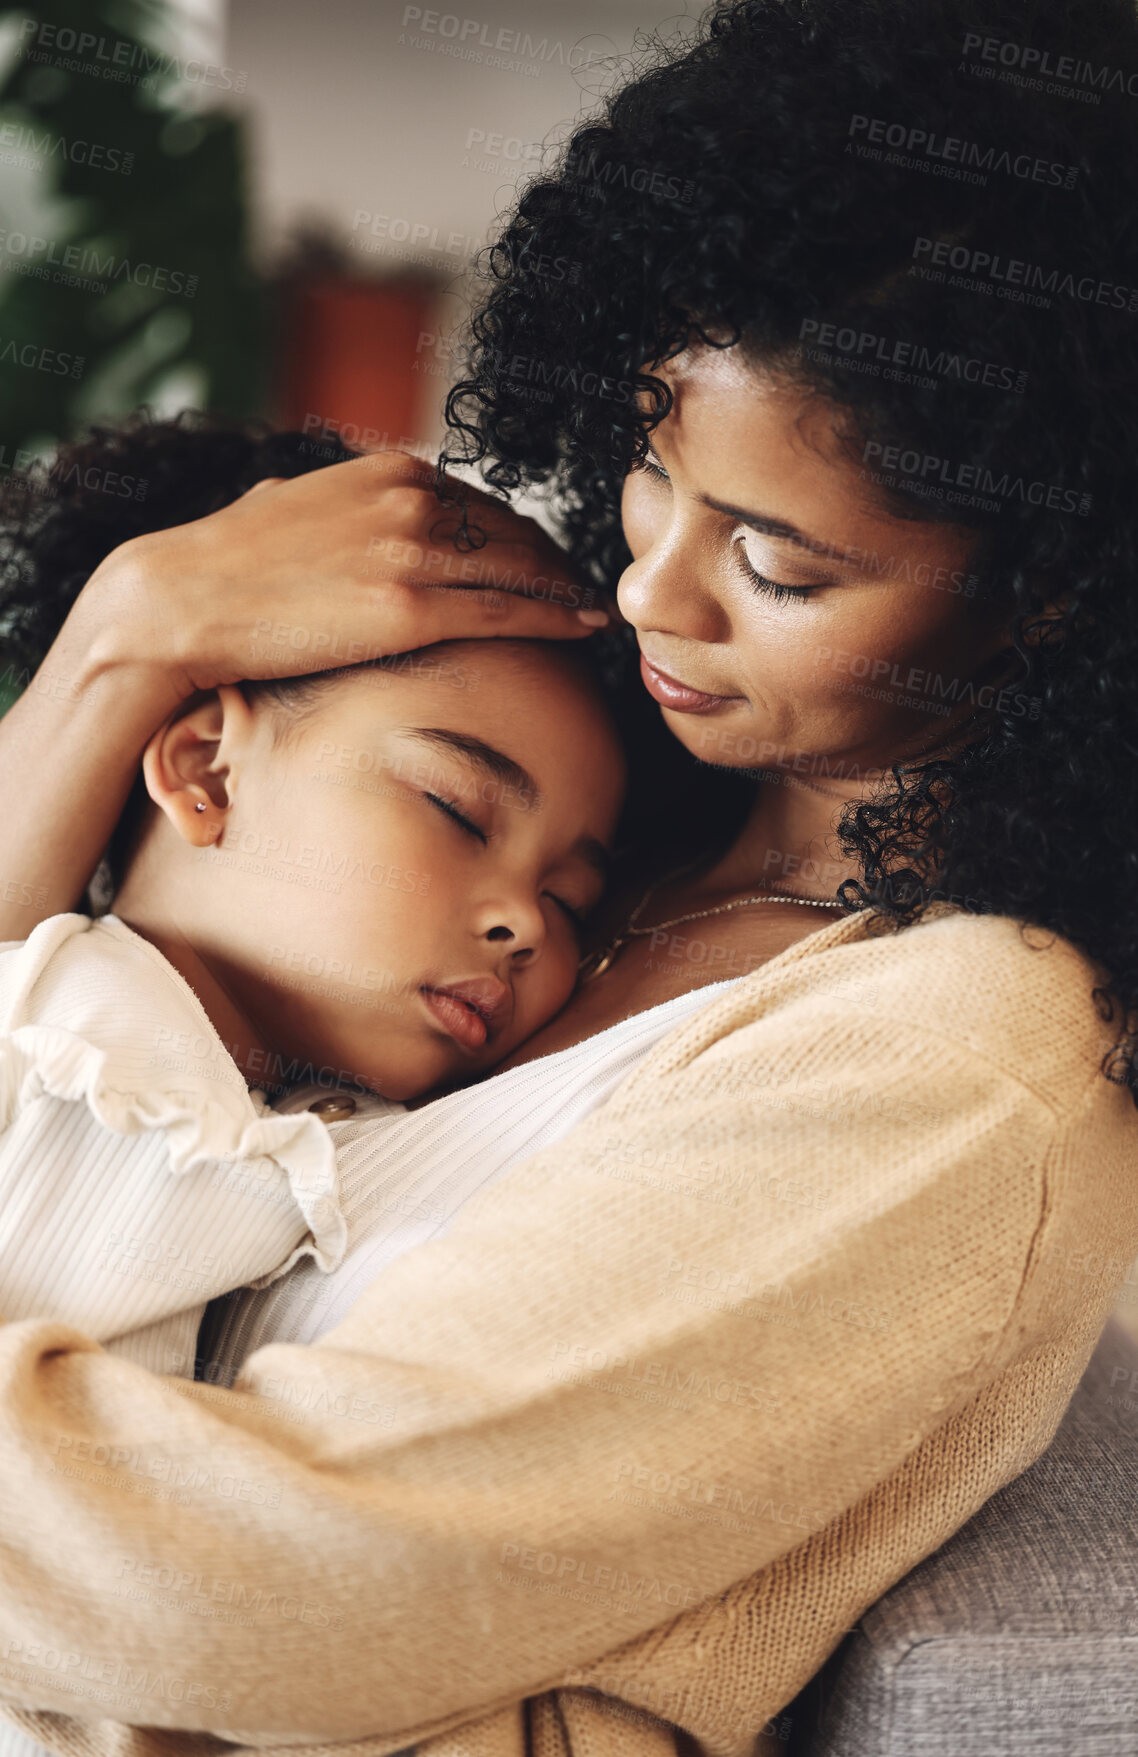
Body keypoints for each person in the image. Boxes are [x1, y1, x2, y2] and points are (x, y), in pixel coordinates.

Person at [0, 0, 1136, 1753]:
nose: (650, 590)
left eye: (774, 558)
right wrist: (117, 651)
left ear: (1051, 595)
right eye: (649, 467)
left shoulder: (957, 1058)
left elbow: (269, 1593)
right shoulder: (600, 765)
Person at [0, 417, 625, 1375]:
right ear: (208, 768)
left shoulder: (363, 1144)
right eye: (457, 809)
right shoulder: (55, 1021)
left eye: (574, 899)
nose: (528, 923)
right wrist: (136, 620)